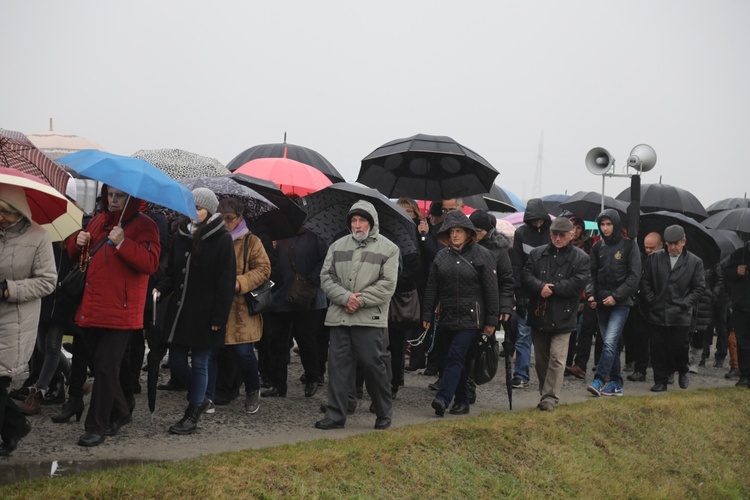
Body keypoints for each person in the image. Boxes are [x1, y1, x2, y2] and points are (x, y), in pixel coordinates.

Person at [66, 185, 160, 447]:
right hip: (92, 305)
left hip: (122, 309)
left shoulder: (145, 225)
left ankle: (96, 425)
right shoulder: (98, 220)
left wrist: (124, 243)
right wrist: (77, 242)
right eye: (110, 194)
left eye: (119, 195)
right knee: (99, 365)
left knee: (106, 366)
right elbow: (79, 257)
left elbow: (150, 263)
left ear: (132, 197)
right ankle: (120, 411)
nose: (113, 199)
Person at [155, 188, 235, 434]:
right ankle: (201, 399)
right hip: (181, 313)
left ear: (209, 210)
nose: (193, 213)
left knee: (200, 361)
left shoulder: (221, 239)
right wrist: (160, 289)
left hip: (206, 314)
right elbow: (172, 271)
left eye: (198, 208)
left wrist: (218, 318)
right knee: (177, 361)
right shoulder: (180, 234)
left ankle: (192, 412)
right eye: (190, 207)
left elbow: (225, 282)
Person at [315, 201, 399, 431]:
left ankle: (383, 412)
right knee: (337, 367)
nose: (358, 225)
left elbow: (388, 285)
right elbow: (326, 278)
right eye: (354, 220)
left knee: (373, 366)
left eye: (362, 220)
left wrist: (359, 300)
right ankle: (335, 415)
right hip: (339, 316)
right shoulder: (337, 246)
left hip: (369, 319)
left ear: (371, 223)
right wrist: (345, 298)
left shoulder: (389, 249)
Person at [422, 210, 499, 417]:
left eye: (459, 231)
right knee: (453, 359)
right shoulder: (441, 256)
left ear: (468, 233)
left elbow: (492, 290)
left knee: (456, 356)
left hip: (471, 319)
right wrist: (427, 315)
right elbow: (432, 288)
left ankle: (443, 398)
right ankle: (462, 401)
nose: (454, 235)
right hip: (447, 316)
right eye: (451, 231)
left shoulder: (483, 255)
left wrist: (491, 321)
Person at [0, 189, 56, 456]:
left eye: (6, 213)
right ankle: (15, 426)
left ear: (19, 212)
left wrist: (9, 289)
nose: (1, 218)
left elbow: (47, 281)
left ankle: (14, 426)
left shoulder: (38, 237)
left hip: (15, 321)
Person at [522, 217, 589, 411]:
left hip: (564, 315)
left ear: (571, 235)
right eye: (554, 234)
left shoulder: (581, 258)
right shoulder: (537, 254)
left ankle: (550, 397)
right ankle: (546, 393)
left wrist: (553, 288)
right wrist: (540, 286)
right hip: (540, 313)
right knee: (541, 360)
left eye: (561, 235)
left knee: (557, 358)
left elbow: (579, 282)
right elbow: (526, 275)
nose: (557, 238)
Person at [215, 197, 270, 412]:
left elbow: (264, 269)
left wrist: (241, 282)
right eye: (221, 218)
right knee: (220, 352)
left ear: (240, 217)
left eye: (229, 218)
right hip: (219, 306)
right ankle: (221, 390)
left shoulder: (251, 241)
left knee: (244, 352)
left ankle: (252, 390)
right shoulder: (215, 238)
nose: (225, 223)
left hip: (243, 307)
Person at [262, 224, 328, 399]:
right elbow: (268, 263)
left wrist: (311, 280)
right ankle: (278, 384)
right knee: (277, 343)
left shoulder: (316, 236)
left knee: (307, 339)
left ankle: (313, 377)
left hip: (307, 298)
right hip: (280, 296)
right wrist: (271, 248)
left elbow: (325, 260)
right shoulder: (277, 235)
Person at [640, 224, 705, 392]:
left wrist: (684, 303)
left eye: (676, 243)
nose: (673, 247)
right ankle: (660, 380)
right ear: (665, 243)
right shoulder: (654, 258)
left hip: (680, 314)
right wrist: (651, 299)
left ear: (684, 242)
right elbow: (645, 281)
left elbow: (699, 288)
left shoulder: (694, 261)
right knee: (658, 348)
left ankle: (682, 369)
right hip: (658, 311)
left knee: (680, 347)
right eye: (669, 243)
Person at [585, 210, 640, 397]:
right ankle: (616, 383)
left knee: (608, 342)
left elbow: (634, 277)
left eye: (609, 224)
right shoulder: (597, 247)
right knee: (612, 344)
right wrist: (591, 295)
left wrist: (616, 296)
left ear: (616, 225)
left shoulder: (629, 246)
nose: (605, 228)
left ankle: (599, 380)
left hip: (621, 303)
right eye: (602, 224)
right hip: (601, 302)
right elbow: (591, 275)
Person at [510, 198, 552, 389]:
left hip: (548, 292)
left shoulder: (552, 234)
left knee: (547, 337)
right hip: (527, 292)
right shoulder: (521, 234)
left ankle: (547, 376)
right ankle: (521, 374)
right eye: (534, 219)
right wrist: (518, 294)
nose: (538, 223)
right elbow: (517, 266)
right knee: (523, 335)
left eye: (540, 219)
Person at [627, 231, 664, 382]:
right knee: (640, 338)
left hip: (660, 305)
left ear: (661, 246)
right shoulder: (640, 259)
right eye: (646, 247)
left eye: (652, 248)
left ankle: (664, 371)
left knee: (661, 341)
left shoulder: (666, 262)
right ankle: (640, 369)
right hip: (641, 305)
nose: (648, 250)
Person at [724, 240, 750, 387]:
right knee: (742, 342)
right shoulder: (739, 254)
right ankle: (744, 375)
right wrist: (736, 272)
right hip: (741, 305)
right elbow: (725, 273)